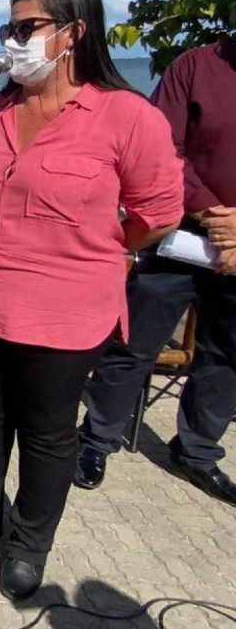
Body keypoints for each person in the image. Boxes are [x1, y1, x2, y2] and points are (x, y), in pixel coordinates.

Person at [0, 0, 183, 601]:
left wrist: (93, 252)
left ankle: (30, 542)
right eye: (8, 28)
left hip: (66, 306)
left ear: (74, 33)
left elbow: (158, 214)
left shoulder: (127, 116)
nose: (13, 39)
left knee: (47, 429)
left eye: (26, 27)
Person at [75, 35, 236, 507]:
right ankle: (96, 437)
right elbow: (164, 150)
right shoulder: (196, 67)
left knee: (227, 355)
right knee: (133, 343)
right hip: (179, 236)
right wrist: (215, 216)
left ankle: (197, 451)